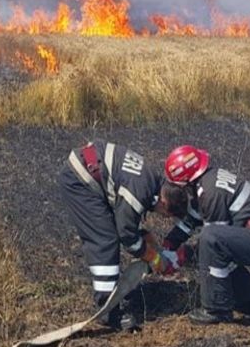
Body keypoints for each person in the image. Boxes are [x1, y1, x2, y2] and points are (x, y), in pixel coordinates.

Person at [59, 140, 177, 330]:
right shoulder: (140, 190)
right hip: (79, 180)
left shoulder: (152, 182)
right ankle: (107, 311)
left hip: (90, 169)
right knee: (105, 240)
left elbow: (132, 221)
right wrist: (155, 259)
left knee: (110, 234)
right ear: (164, 202)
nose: (163, 216)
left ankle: (110, 297)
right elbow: (127, 236)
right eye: (167, 214)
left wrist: (156, 249)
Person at [162, 144, 250, 324]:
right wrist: (170, 242)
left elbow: (212, 242)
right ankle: (249, 300)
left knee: (211, 242)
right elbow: (194, 217)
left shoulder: (210, 193)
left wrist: (182, 255)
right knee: (218, 248)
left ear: (186, 182)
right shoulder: (208, 182)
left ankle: (216, 309)